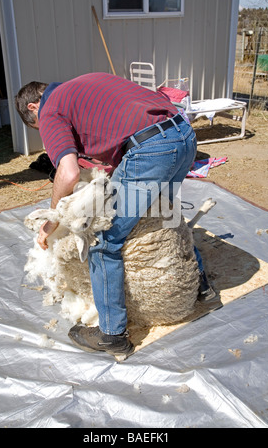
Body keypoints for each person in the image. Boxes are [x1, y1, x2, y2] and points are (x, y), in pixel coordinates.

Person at [15, 73, 214, 360]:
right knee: (164, 216)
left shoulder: (50, 109)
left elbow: (68, 172)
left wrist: (50, 223)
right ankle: (201, 287)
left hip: (150, 149)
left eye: (37, 127)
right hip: (182, 135)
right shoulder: (85, 84)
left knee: (103, 238)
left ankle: (113, 334)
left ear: (33, 107)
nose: (42, 130)